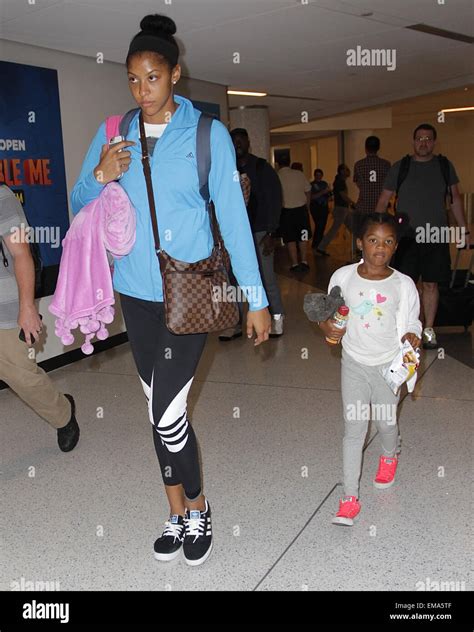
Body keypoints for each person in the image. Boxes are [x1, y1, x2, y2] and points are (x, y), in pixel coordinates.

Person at [71, 14, 270, 567]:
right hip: (135, 295)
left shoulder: (206, 135)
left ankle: (200, 507)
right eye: (133, 80)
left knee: (166, 415)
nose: (142, 90)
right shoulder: (114, 133)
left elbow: (232, 216)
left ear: (175, 74)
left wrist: (256, 300)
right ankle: (176, 511)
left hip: (192, 292)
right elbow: (78, 203)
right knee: (161, 412)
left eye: (152, 78)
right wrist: (100, 174)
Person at [318, 212, 422, 526]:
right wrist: (329, 329)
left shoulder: (403, 285)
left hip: (388, 366)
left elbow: (412, 320)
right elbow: (329, 316)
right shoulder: (343, 277)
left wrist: (412, 334)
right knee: (354, 430)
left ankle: (390, 454)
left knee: (386, 423)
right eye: (373, 240)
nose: (380, 247)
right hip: (353, 365)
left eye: (388, 242)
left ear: (395, 247)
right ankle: (349, 498)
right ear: (360, 242)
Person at [375, 123, 470, 350]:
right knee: (405, 284)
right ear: (413, 141)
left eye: (428, 139)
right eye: (419, 138)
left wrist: (464, 229)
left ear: (434, 142)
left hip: (435, 233)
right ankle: (406, 327)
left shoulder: (444, 166)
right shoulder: (401, 167)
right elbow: (383, 200)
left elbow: (455, 200)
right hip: (406, 236)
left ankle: (428, 329)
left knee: (430, 284)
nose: (423, 143)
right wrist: (378, 233)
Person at [0, 184, 79, 452]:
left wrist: (27, 308)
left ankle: (64, 414)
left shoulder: (2, 195)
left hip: (4, 308)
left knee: (22, 376)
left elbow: (21, 254)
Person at [219, 128, 284, 341]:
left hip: (260, 231)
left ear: (248, 143)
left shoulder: (262, 168)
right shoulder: (226, 168)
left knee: (266, 277)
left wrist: (272, 232)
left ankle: (276, 318)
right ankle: (235, 322)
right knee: (233, 279)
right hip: (235, 234)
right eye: (233, 141)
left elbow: (275, 200)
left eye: (241, 141)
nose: (237, 144)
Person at [277, 154, 312, 272]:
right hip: (301, 210)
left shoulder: (277, 176)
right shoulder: (299, 174)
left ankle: (294, 264)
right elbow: (308, 190)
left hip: (286, 212)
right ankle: (304, 261)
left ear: (278, 164)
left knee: (290, 238)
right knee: (303, 237)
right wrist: (307, 206)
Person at [316, 164, 356, 257]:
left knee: (353, 228)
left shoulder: (339, 181)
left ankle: (358, 248)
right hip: (341, 209)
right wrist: (353, 203)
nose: (348, 171)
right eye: (346, 170)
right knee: (335, 229)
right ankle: (321, 247)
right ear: (341, 171)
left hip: (342, 208)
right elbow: (343, 196)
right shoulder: (339, 182)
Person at [353, 136, 391, 214]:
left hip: (363, 206)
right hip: (380, 207)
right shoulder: (386, 164)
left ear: (365, 148)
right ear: (378, 148)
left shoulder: (358, 165)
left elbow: (357, 182)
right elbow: (388, 184)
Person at [309, 169, 331, 251]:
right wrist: (323, 192)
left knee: (322, 226)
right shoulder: (311, 185)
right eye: (317, 175)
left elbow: (328, 196)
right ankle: (316, 244)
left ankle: (319, 244)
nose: (318, 177)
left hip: (324, 207)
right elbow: (312, 197)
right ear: (314, 175)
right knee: (319, 225)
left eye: (320, 175)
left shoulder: (324, 183)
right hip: (316, 207)